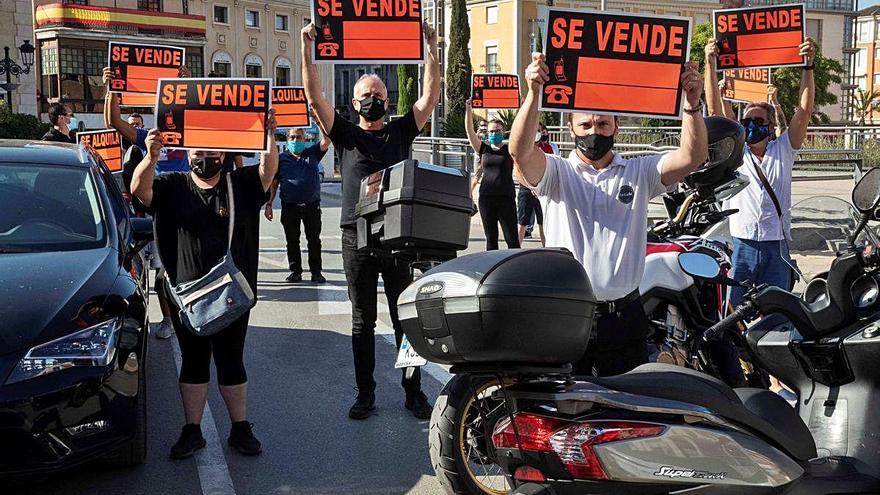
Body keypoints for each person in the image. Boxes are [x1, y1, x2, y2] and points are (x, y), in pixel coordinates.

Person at [509, 52, 707, 377]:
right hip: (569, 315)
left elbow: (692, 155)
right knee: (571, 411)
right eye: (585, 124)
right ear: (571, 128)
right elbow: (519, 151)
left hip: (625, 316)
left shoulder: (639, 171)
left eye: (602, 123)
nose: (594, 132)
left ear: (616, 125)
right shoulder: (557, 173)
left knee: (626, 412)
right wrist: (534, 93)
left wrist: (692, 103)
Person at [301, 21, 441, 420]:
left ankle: (413, 391)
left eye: (378, 94)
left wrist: (432, 49)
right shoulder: (344, 134)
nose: (372, 99)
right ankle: (366, 394)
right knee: (362, 320)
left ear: (387, 99)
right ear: (354, 102)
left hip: (398, 238)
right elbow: (314, 96)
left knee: (405, 319)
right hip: (357, 239)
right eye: (365, 95)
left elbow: (430, 97)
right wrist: (306, 47)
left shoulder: (400, 131)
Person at [129, 110, 278, 459]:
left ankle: (240, 428)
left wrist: (269, 137)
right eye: (198, 152)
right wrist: (151, 157)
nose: (205, 158)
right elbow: (139, 189)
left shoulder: (238, 184)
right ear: (187, 152)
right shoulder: (171, 185)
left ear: (223, 154)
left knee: (231, 361)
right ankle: (192, 430)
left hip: (230, 296)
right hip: (186, 297)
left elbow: (267, 172)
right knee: (193, 363)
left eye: (212, 152)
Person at [705, 38, 816, 386]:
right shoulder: (736, 153)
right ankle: (742, 375)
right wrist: (710, 64)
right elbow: (714, 110)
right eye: (747, 120)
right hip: (742, 245)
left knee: (777, 316)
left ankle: (778, 378)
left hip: (776, 248)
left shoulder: (785, 149)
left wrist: (808, 66)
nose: (751, 125)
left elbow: (804, 111)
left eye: (758, 120)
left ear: (770, 124)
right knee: (734, 315)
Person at [103, 66, 190, 340]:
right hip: (156, 207)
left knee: (186, 271)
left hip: (187, 207)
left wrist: (190, 88)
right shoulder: (148, 136)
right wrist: (112, 88)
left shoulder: (193, 132)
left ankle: (192, 315)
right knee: (161, 275)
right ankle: (167, 320)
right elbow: (115, 121)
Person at [266, 127, 331, 283]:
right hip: (290, 207)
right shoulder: (281, 159)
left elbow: (327, 140)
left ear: (305, 139)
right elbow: (273, 184)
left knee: (314, 240)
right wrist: (269, 204)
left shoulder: (313, 153)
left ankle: (316, 272)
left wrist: (319, 121)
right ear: (288, 140)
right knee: (292, 241)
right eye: (293, 137)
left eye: (299, 137)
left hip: (311, 206)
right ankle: (295, 272)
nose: (296, 140)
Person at [465, 100, 520, 250]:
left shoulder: (510, 149)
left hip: (506, 197)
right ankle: (493, 270)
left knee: (512, 239)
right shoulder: (484, 149)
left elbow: (521, 132)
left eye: (497, 131)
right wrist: (469, 109)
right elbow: (470, 132)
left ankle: (516, 270)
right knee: (491, 239)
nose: (494, 134)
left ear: (503, 131)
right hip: (487, 198)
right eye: (491, 131)